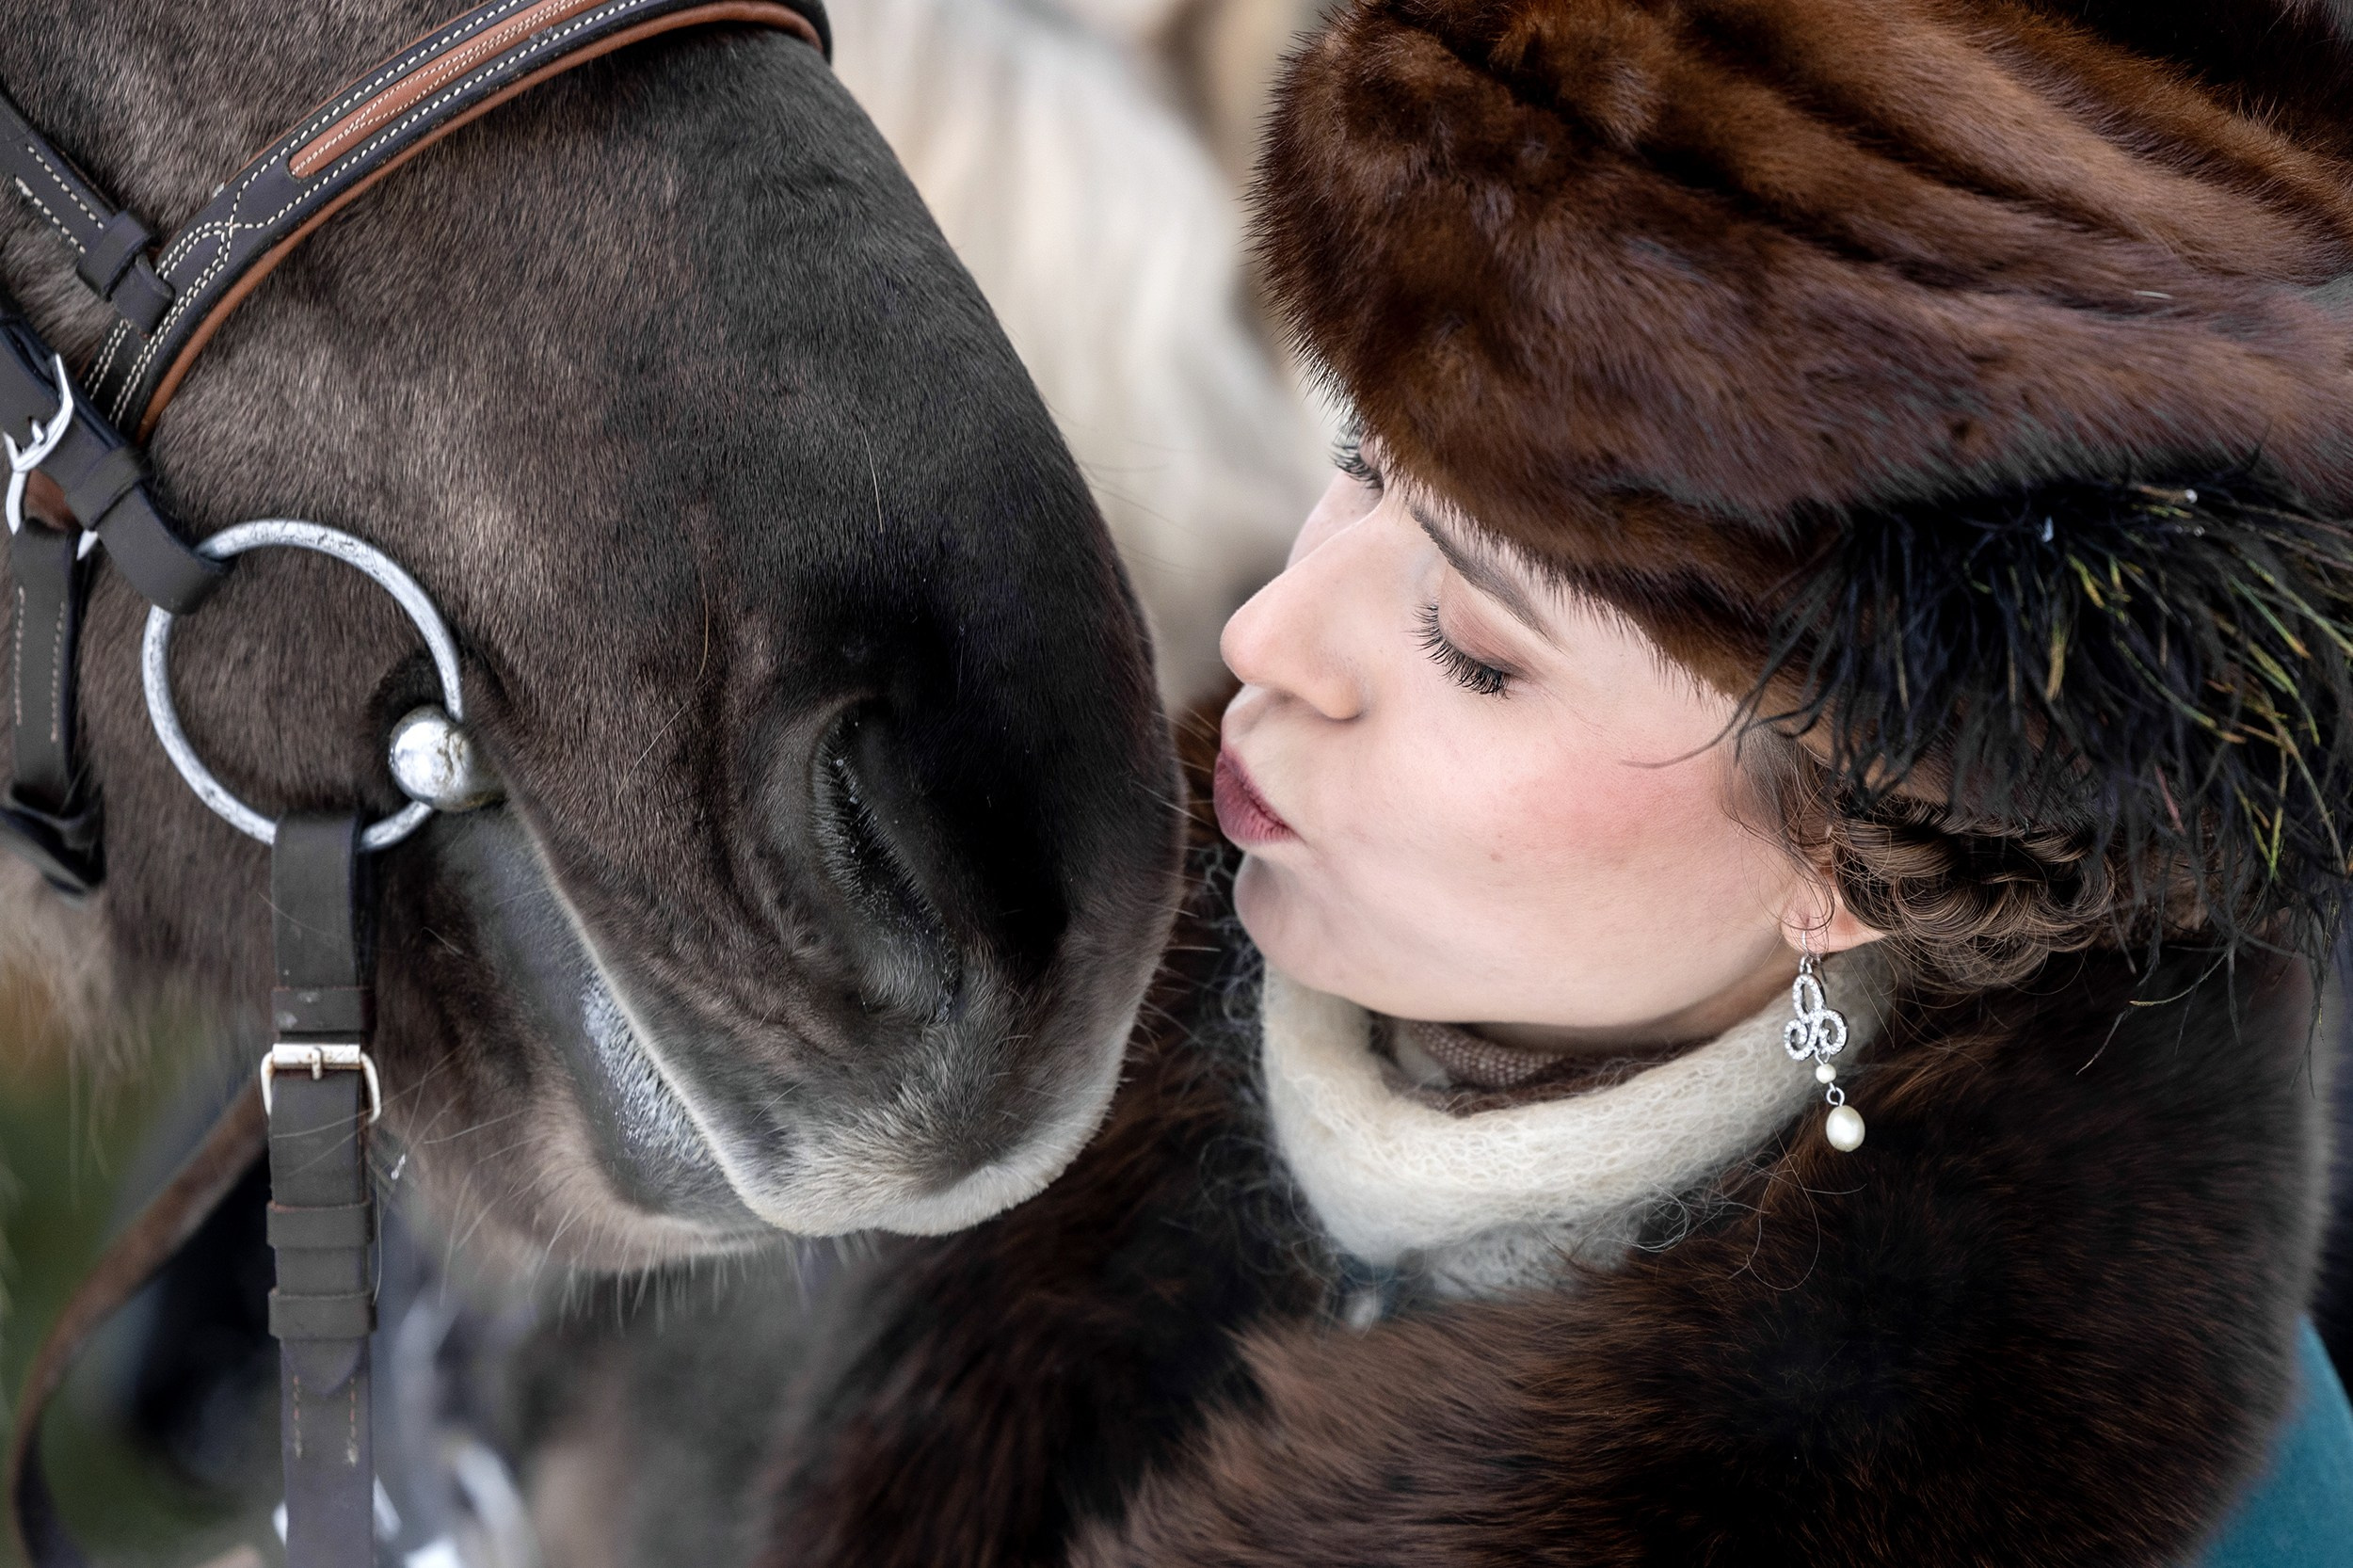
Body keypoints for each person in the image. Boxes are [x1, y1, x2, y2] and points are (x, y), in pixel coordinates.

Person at [543, 3, 2353, 1562]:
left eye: (1475, 645)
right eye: (1355, 469)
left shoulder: (2190, 1513)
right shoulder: (1042, 1014)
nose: (1267, 635)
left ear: (1853, 856)